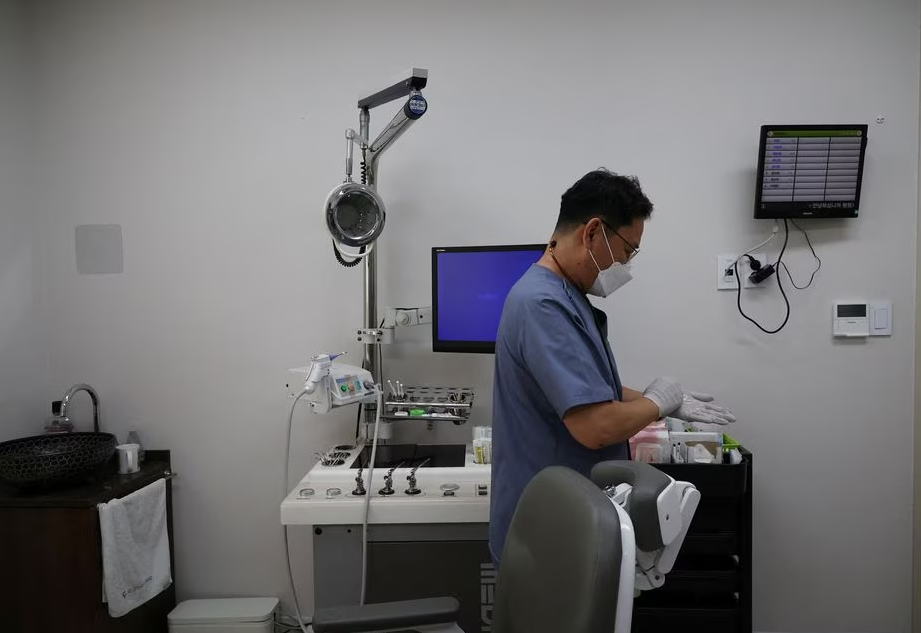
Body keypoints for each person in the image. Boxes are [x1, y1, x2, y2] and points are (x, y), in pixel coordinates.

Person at [489, 168, 735, 566]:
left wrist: (668, 402)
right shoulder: (542, 305)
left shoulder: (565, 296)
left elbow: (594, 387)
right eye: (627, 249)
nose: (626, 262)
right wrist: (656, 404)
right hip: (551, 529)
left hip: (568, 517)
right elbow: (594, 425)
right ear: (591, 232)